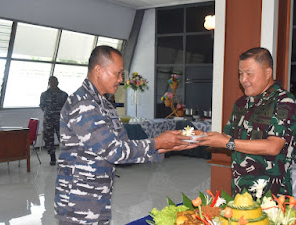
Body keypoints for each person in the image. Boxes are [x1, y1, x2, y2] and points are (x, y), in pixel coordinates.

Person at [54, 46, 196, 225]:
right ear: (98, 70)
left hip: (98, 198)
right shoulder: (83, 104)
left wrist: (165, 146)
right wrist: (157, 141)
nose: (121, 80)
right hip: (78, 202)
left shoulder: (104, 105)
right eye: (118, 73)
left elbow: (124, 149)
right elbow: (114, 151)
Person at [197, 47, 296, 197]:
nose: (243, 79)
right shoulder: (241, 104)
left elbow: (273, 146)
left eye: (249, 74)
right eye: (240, 74)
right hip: (240, 191)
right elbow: (227, 139)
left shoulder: (284, 101)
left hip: (272, 195)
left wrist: (228, 143)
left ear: (267, 73)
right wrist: (199, 138)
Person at [40, 76, 68, 165]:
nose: (53, 84)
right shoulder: (44, 94)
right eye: (51, 82)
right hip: (48, 120)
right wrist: (49, 113)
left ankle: (65, 157)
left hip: (61, 121)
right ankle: (52, 157)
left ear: (58, 83)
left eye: (54, 82)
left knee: (63, 139)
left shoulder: (64, 94)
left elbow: (67, 107)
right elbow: (42, 106)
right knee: (48, 139)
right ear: (48, 83)